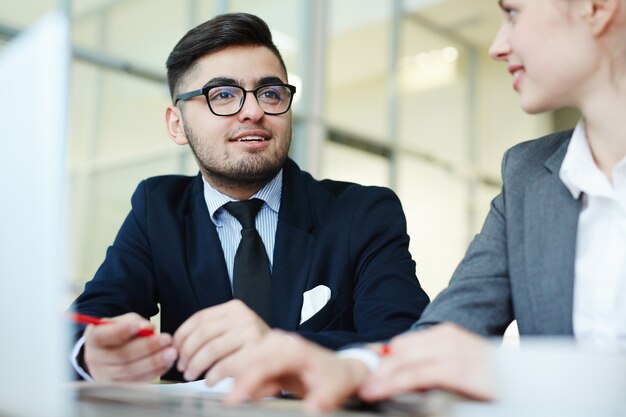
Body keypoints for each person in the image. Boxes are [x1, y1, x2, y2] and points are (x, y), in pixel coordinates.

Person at [209, 0, 626, 411]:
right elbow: (443, 332)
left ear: (597, 7)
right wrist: (356, 369)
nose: (498, 45)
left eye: (513, 12)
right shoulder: (529, 176)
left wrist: (503, 372)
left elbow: (471, 362)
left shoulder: (361, 212)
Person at [69, 12, 430, 383]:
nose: (254, 111)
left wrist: (283, 348)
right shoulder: (157, 209)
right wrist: (90, 353)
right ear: (177, 125)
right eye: (223, 95)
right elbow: (83, 322)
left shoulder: (362, 214)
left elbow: (407, 344)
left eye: (270, 93)